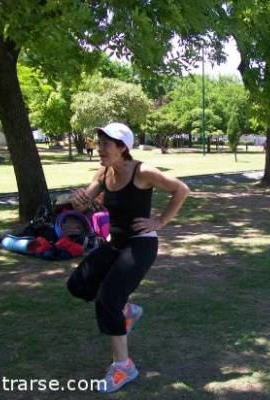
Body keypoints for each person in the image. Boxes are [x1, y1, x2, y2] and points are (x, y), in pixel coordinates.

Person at [67, 122, 190, 393]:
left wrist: (160, 220)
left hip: (141, 244)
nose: (99, 149)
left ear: (122, 148)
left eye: (105, 145)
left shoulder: (142, 171)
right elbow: (87, 197)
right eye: (99, 144)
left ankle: (124, 367)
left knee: (107, 298)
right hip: (116, 242)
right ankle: (127, 311)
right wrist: (78, 201)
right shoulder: (105, 170)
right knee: (78, 284)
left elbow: (181, 189)